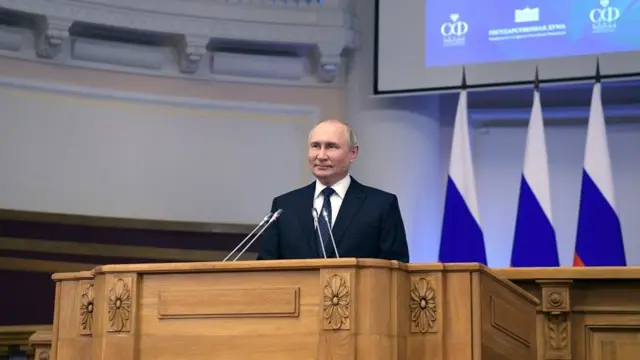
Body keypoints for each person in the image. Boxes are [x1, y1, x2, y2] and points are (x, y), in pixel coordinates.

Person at [256, 119, 409, 262]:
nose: (321, 156)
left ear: (353, 153)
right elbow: (265, 268)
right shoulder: (285, 206)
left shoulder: (381, 205)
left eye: (331, 147)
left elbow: (395, 270)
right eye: (315, 146)